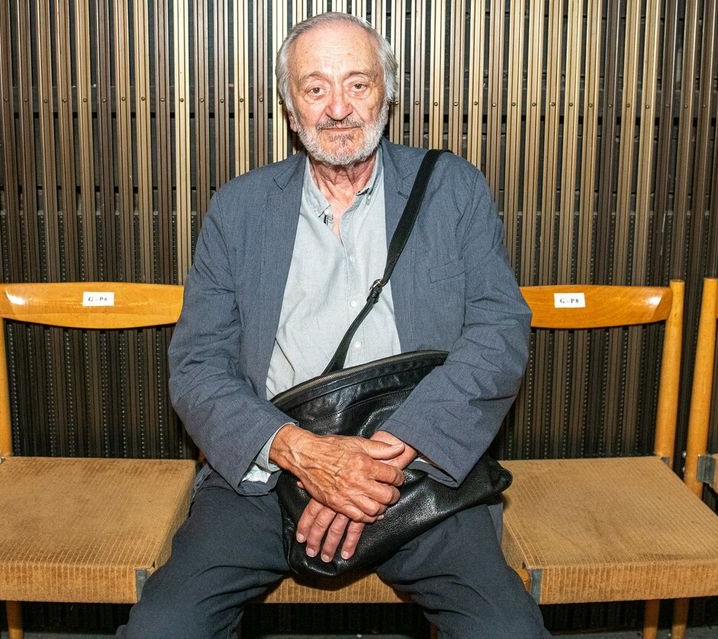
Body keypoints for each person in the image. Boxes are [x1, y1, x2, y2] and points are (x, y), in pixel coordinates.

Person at [122, 11, 549, 638]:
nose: (339, 108)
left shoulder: (452, 189)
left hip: (418, 470)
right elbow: (197, 366)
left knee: (505, 631)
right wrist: (306, 455)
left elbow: (498, 333)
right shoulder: (239, 207)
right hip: (268, 472)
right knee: (165, 628)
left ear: (387, 93)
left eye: (358, 83)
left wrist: (379, 460)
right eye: (315, 88)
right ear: (290, 107)